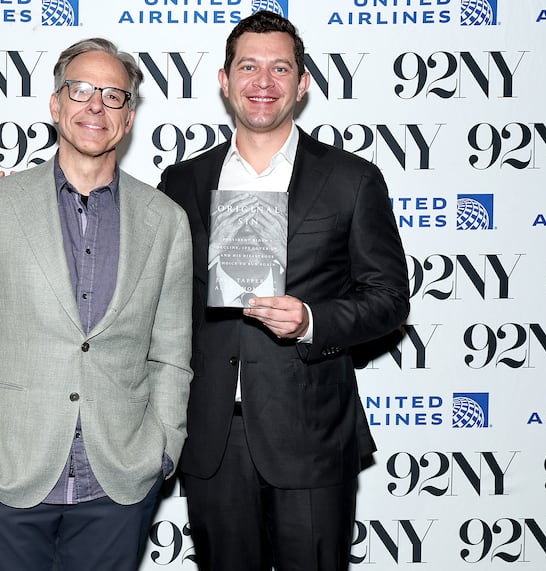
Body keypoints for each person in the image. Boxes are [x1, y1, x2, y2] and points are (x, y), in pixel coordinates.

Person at [0, 38, 193, 571]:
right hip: (4, 476)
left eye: (114, 96)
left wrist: (163, 451)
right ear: (55, 104)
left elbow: (170, 353)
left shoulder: (166, 221)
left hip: (117, 483)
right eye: (82, 90)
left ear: (129, 116)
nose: (96, 106)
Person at [157, 11, 410, 571]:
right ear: (224, 81)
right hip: (213, 438)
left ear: (302, 84)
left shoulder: (351, 178)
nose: (263, 82)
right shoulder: (182, 182)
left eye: (280, 68)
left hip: (312, 436)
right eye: (248, 66)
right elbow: (146, 285)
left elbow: (390, 298)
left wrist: (311, 321)